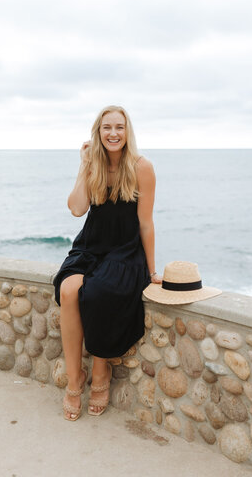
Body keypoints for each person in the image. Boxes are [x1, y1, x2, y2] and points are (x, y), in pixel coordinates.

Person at [53, 104, 161, 421]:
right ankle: (75, 380)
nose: (113, 133)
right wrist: (84, 164)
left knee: (99, 292)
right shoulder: (93, 166)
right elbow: (76, 209)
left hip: (125, 251)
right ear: (98, 133)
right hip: (91, 246)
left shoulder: (142, 167)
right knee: (70, 289)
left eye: (119, 127)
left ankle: (100, 369)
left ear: (127, 133)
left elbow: (146, 223)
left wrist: (151, 270)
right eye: (106, 128)